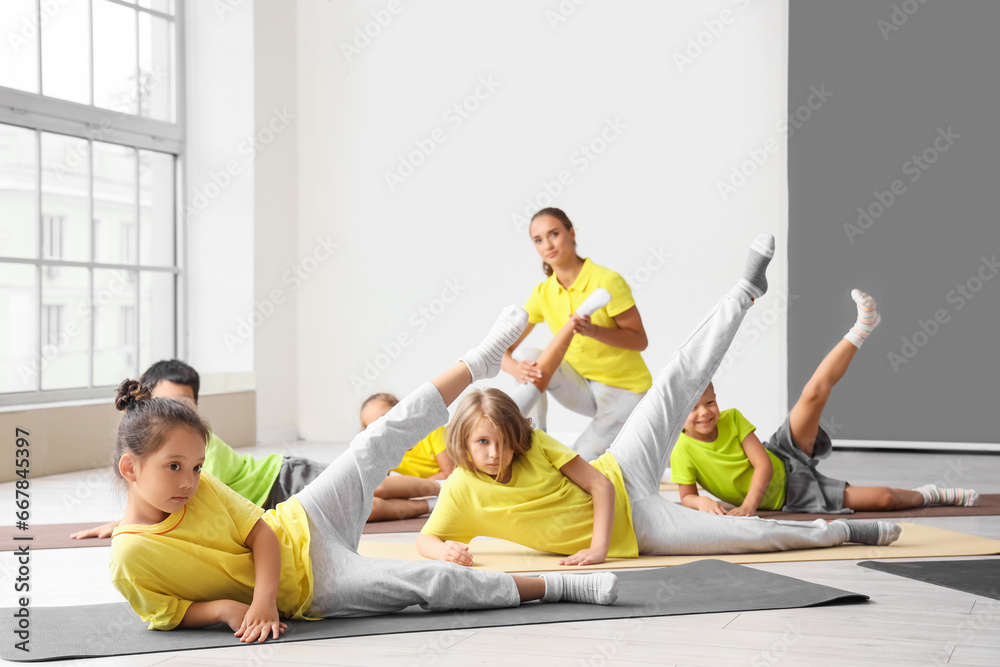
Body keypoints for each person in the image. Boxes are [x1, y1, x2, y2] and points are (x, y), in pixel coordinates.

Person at [109, 307, 618, 641]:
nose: (189, 481)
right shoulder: (132, 556)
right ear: (130, 468)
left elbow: (262, 531)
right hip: (318, 587)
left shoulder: (198, 485)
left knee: (375, 441)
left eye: (195, 467)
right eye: (174, 467)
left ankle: (477, 362)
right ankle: (554, 586)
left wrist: (261, 601)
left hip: (302, 519)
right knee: (433, 583)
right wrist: (223, 608)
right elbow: (166, 614)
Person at [418, 235, 904, 568]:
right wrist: (446, 554)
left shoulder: (535, 445)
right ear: (465, 442)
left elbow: (602, 488)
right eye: (482, 443)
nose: (494, 453)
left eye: (501, 441)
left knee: (676, 381)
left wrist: (598, 548)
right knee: (749, 538)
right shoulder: (463, 490)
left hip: (620, 472)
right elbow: (428, 538)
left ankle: (745, 290)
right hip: (645, 527)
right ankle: (839, 533)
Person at [672, 290, 980, 516]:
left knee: (812, 393)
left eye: (710, 402)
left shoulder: (732, 419)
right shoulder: (682, 449)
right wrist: (702, 502)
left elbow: (763, 464)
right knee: (884, 499)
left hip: (781, 453)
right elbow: (686, 495)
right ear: (676, 414)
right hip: (793, 494)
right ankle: (929, 494)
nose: (704, 413)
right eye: (693, 408)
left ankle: (862, 327)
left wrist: (750, 506)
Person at [72, 361, 442, 539]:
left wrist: (125, 524)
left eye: (186, 403)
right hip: (273, 504)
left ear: (196, 406)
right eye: (169, 403)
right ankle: (429, 504)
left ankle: (438, 488)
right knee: (367, 508)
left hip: (281, 475)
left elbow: (199, 491)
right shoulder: (158, 455)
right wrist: (127, 522)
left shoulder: (199, 445)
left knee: (367, 481)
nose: (178, 411)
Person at [502, 208, 652, 461]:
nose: (547, 244)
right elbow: (503, 349)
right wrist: (515, 369)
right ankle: (531, 445)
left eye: (554, 234)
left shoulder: (607, 280)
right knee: (527, 355)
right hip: (583, 389)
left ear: (571, 234)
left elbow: (640, 340)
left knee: (577, 463)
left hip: (626, 391)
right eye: (538, 240)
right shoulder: (543, 293)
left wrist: (594, 331)